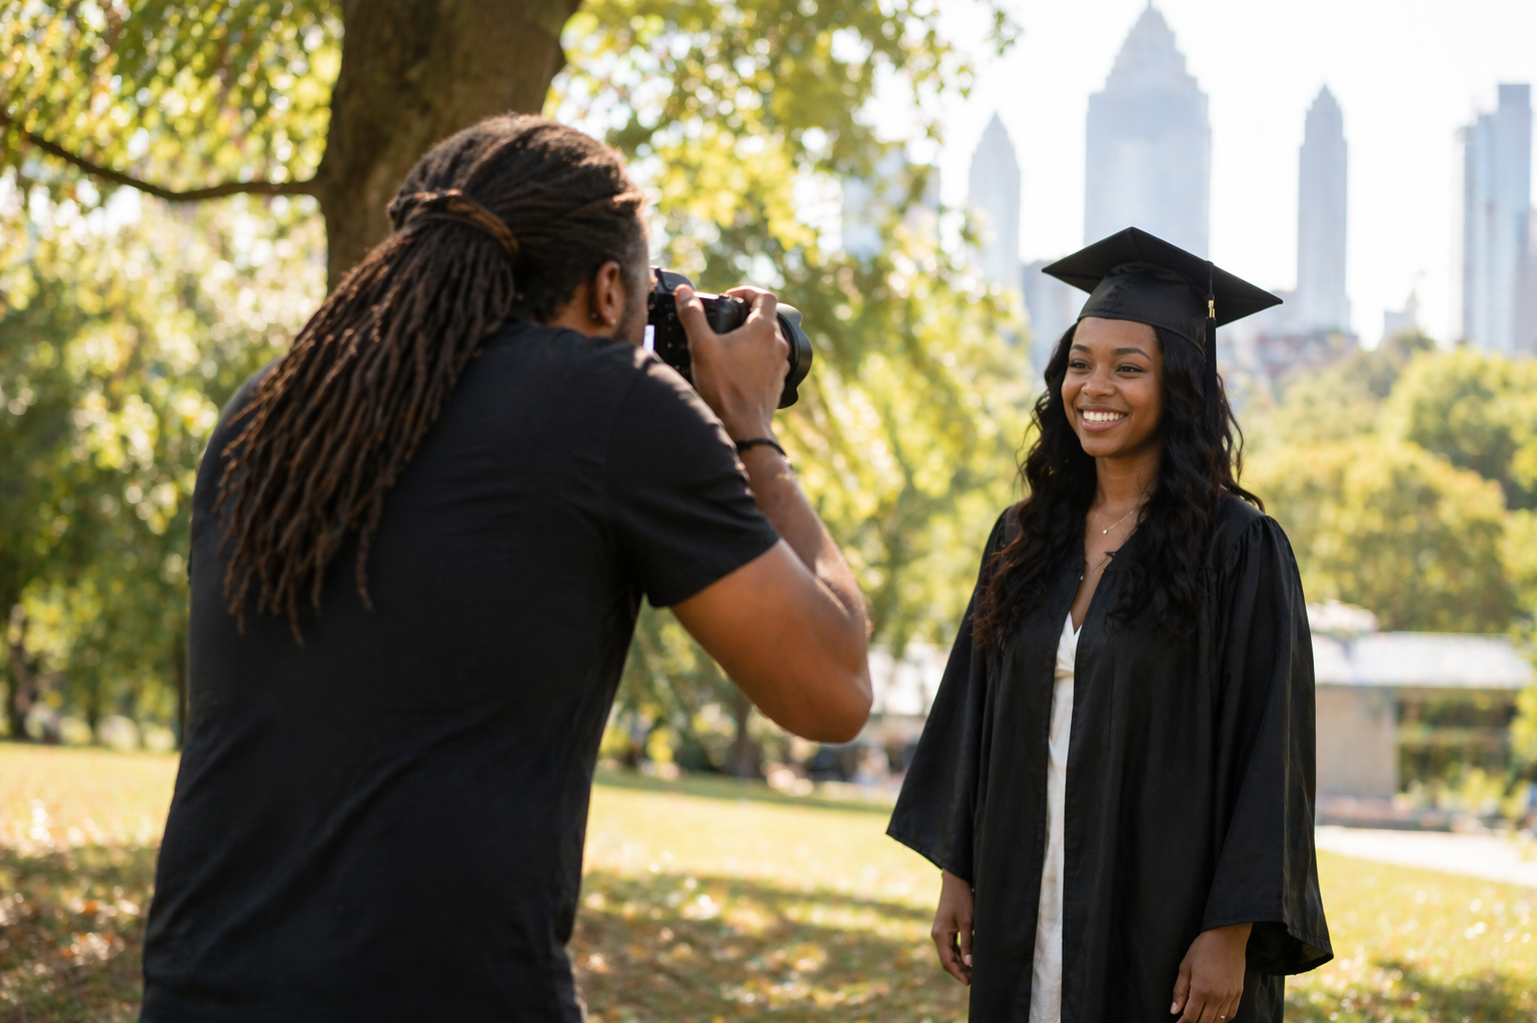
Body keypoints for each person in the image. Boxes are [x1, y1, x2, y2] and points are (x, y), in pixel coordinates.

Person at [140, 116, 872, 1022]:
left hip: (198, 987)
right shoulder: (613, 403)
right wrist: (749, 427)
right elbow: (831, 689)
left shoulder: (269, 404)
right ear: (609, 291)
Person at [887, 228, 1332, 1023]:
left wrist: (1228, 929)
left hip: (1164, 914)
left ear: (1181, 387)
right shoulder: (1023, 539)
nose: (1096, 386)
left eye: (1129, 367)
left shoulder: (1236, 550)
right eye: (1080, 363)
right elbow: (972, 715)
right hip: (1026, 891)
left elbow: (1273, 751)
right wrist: (958, 872)